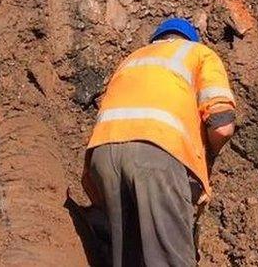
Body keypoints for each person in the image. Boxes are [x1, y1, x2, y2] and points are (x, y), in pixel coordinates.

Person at [83, 17, 236, 267]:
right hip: (155, 154)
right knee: (169, 258)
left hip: (102, 156)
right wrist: (208, 158)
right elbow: (222, 127)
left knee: (128, 258)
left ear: (157, 39)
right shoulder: (199, 54)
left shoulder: (132, 59)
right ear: (190, 40)